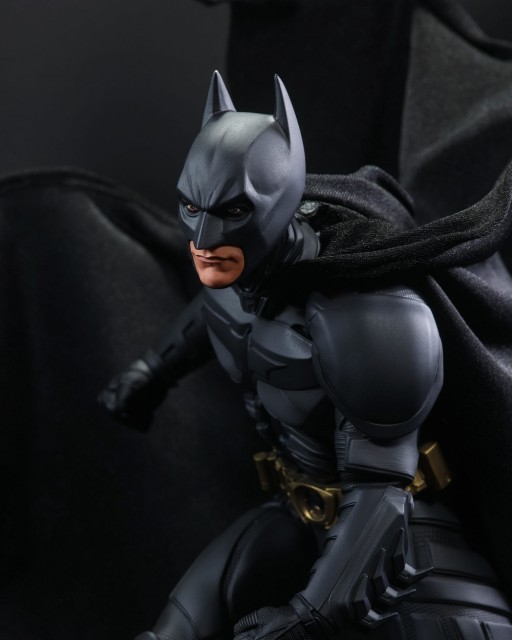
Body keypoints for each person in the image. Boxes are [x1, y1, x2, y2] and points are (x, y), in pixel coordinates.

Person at [100, 72, 512, 640]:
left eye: (232, 211)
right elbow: (211, 314)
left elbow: (379, 494)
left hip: (404, 542)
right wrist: (152, 371)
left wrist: (311, 614)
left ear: (281, 202)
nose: (204, 236)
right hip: (294, 516)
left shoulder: (367, 314)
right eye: (192, 207)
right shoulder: (233, 271)